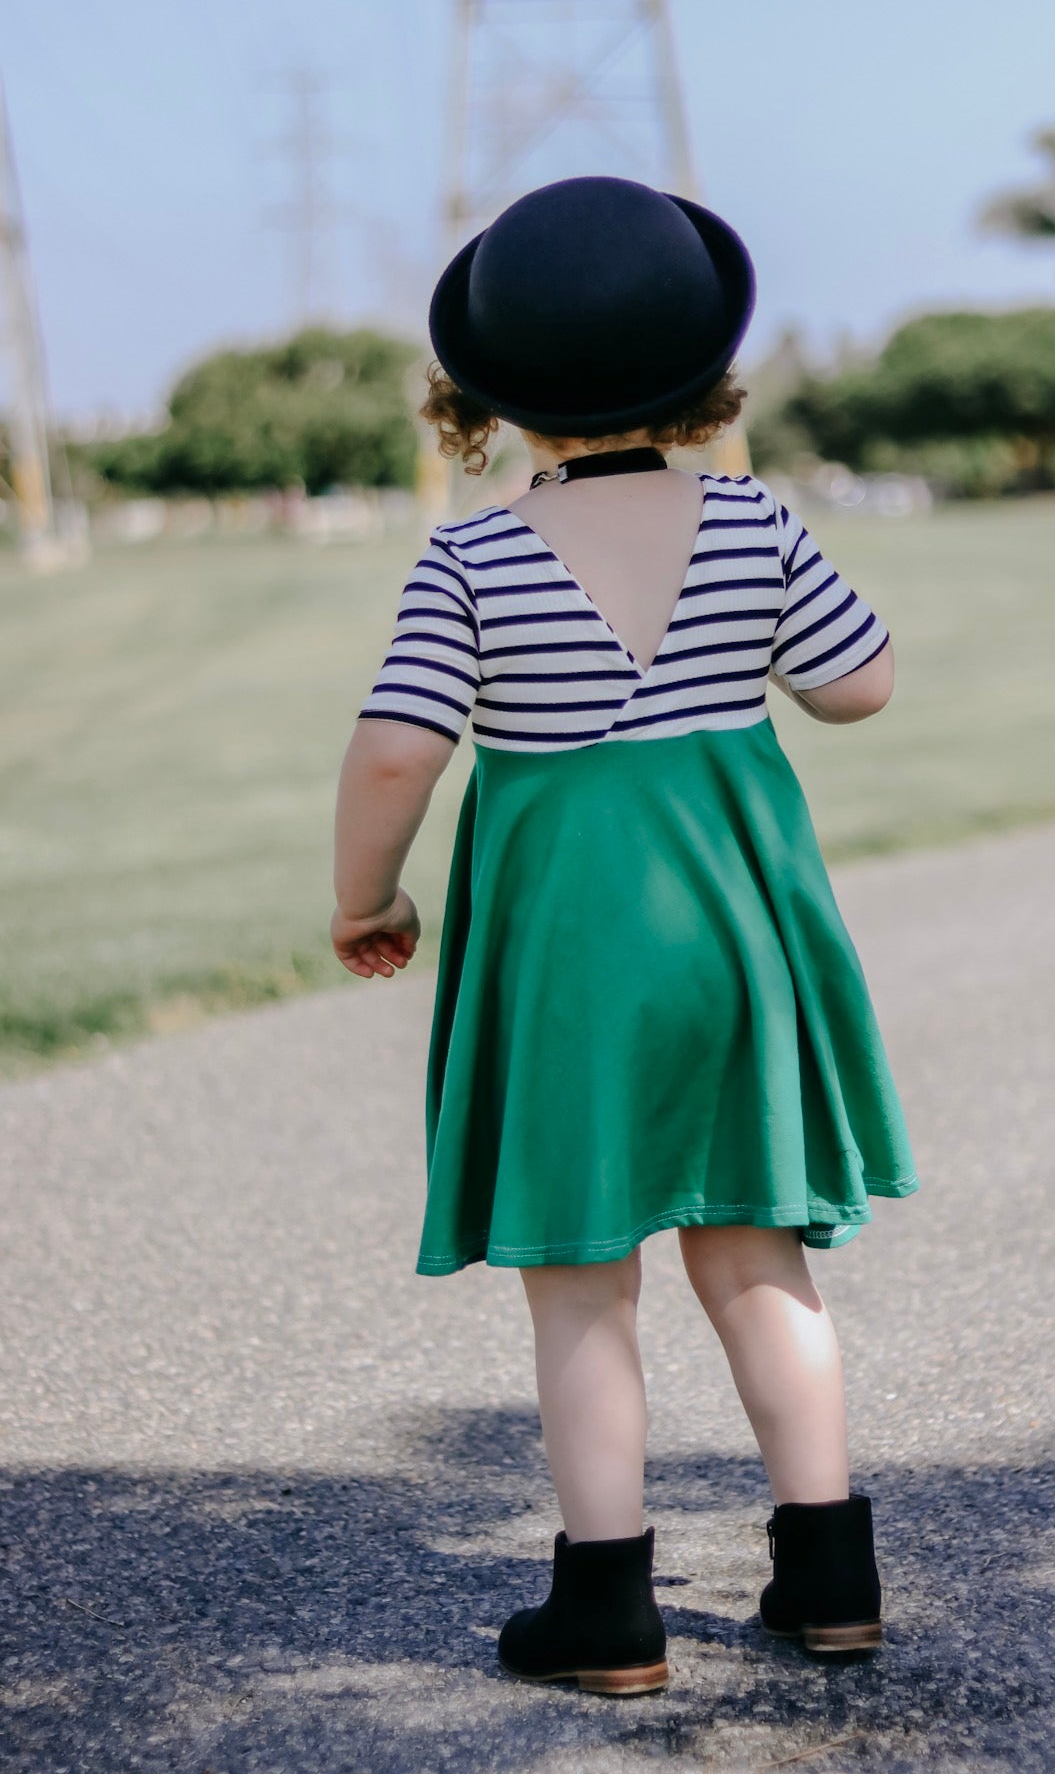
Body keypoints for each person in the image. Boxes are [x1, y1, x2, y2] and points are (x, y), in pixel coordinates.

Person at [331, 175, 920, 1697]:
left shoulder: (472, 560)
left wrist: (368, 897)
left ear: (495, 394)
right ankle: (831, 1570)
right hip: (732, 944)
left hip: (572, 962)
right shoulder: (752, 521)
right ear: (704, 374)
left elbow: (398, 747)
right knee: (757, 1254)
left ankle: (607, 1609)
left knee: (583, 1278)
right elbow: (860, 688)